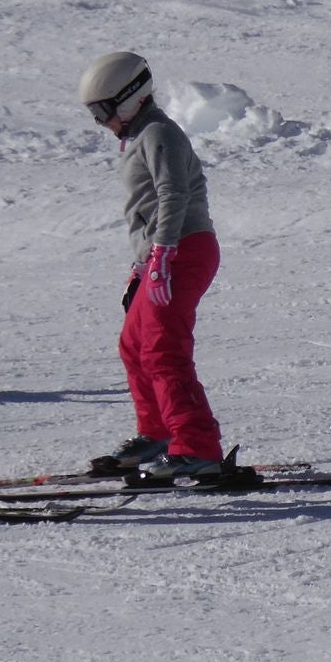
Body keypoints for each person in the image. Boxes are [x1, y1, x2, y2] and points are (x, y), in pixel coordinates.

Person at [78, 52, 225, 480]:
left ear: (128, 98)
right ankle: (158, 432)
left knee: (164, 349)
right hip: (164, 253)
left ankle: (196, 447)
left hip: (186, 248)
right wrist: (144, 263)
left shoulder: (160, 133)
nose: (99, 122)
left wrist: (162, 254)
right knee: (134, 343)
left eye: (102, 111)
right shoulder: (141, 134)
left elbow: (173, 195)